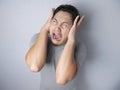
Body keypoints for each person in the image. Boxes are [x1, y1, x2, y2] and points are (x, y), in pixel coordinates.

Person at [25, 4, 86, 90]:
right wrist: (44, 30)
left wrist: (71, 40)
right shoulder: (38, 38)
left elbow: (62, 79)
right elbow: (34, 66)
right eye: (54, 21)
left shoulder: (78, 46)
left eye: (64, 25)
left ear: (73, 28)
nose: (57, 29)